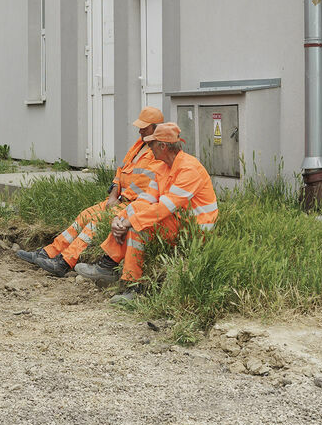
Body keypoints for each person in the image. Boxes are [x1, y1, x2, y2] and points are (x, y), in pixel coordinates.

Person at [15, 106, 166, 277]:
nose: (140, 130)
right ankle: (49, 252)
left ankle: (65, 262)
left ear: (156, 128)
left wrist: (119, 200)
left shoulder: (158, 152)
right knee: (84, 216)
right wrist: (113, 195)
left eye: (144, 127)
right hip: (119, 199)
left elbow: (144, 187)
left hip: (133, 205)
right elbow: (121, 172)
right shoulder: (138, 146)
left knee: (95, 222)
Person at [76, 122, 218, 302]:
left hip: (194, 229)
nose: (148, 148)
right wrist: (119, 219)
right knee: (135, 210)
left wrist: (130, 222)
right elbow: (146, 199)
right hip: (177, 218)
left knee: (139, 228)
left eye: (151, 144)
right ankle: (107, 266)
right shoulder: (162, 167)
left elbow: (164, 207)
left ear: (163, 146)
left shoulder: (189, 169)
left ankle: (135, 288)